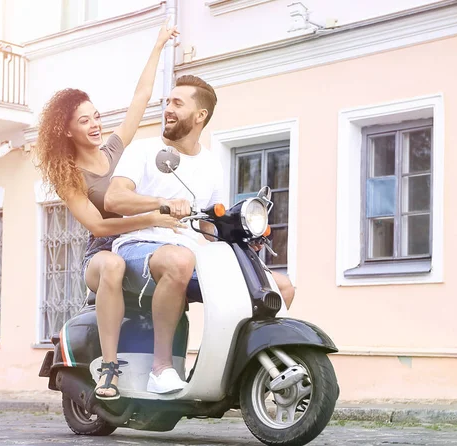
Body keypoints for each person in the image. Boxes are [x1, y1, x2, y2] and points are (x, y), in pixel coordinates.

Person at [104, 75, 295, 394]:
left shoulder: (211, 164)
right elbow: (114, 199)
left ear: (200, 115)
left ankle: (235, 372)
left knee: (280, 286)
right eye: (167, 102)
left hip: (191, 257)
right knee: (180, 259)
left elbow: (210, 226)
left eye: (177, 103)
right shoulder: (145, 151)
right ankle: (160, 369)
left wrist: (243, 237)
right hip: (139, 249)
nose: (168, 109)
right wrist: (162, 203)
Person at [33, 18, 184, 401]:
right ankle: (110, 370)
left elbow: (140, 98)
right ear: (67, 131)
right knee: (113, 265)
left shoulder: (116, 148)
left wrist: (159, 44)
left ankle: (171, 363)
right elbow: (100, 227)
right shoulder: (70, 175)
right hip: (102, 254)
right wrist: (152, 215)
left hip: (139, 241)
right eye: (85, 121)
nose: (96, 124)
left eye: (97, 116)